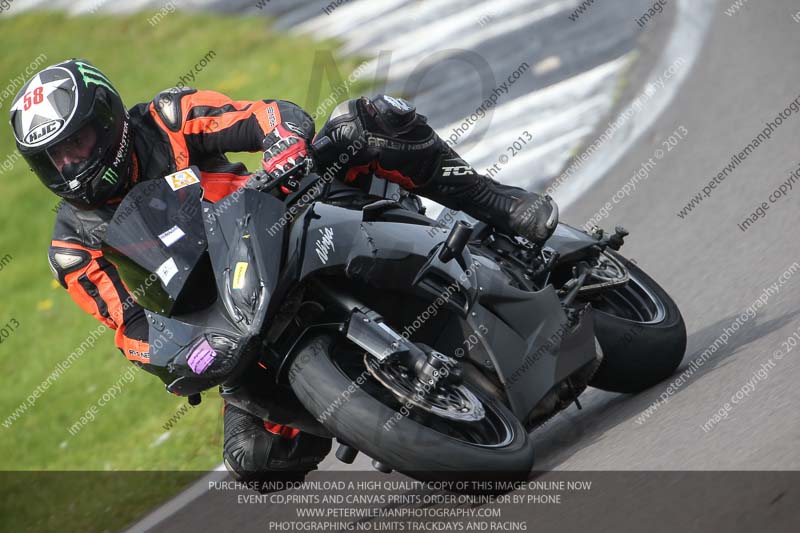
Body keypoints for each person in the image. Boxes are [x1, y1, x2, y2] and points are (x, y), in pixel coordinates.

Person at [8, 59, 558, 486]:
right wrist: (178, 356)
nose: (71, 164)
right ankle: (369, 412)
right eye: (55, 157)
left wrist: (284, 145)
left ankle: (499, 203)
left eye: (77, 143)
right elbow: (130, 328)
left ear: (108, 121)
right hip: (226, 319)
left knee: (365, 123)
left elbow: (267, 116)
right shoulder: (71, 247)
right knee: (253, 458)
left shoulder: (167, 120)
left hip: (281, 218)